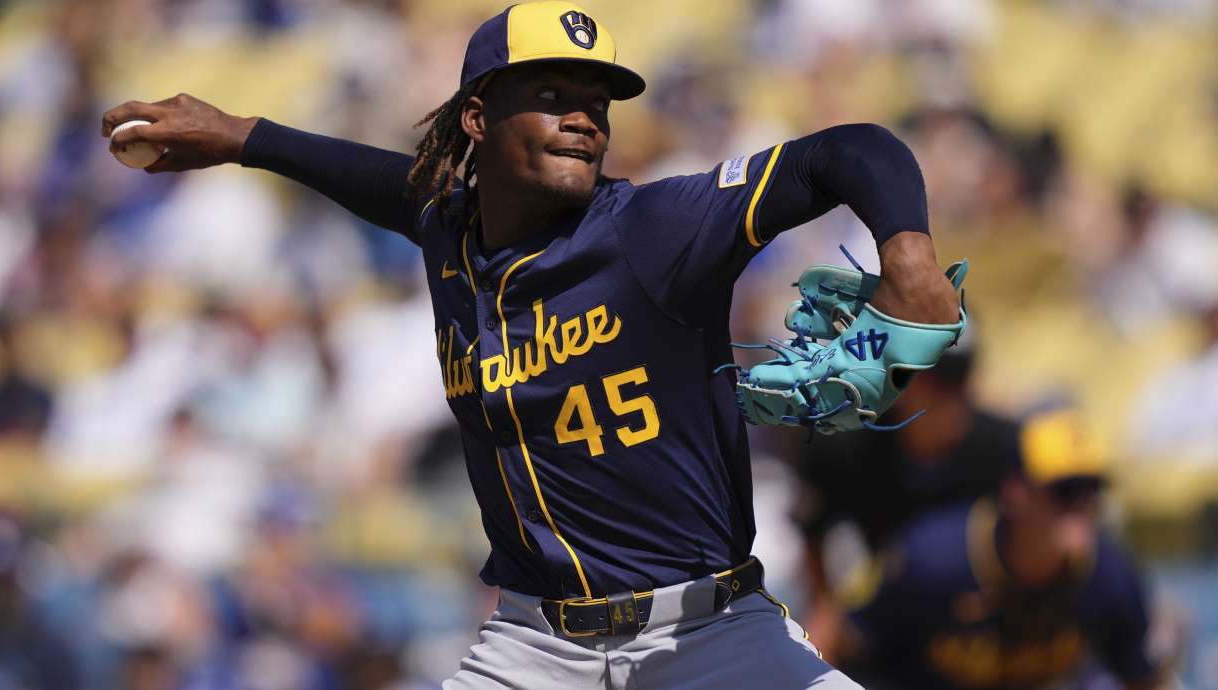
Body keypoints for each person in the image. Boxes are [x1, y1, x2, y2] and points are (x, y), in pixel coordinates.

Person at [101, 2, 962, 687]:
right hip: (534, 651)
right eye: (552, 95)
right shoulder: (451, 232)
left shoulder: (656, 230)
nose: (584, 118)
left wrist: (909, 252)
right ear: (478, 118)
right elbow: (383, 183)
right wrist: (246, 137)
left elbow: (848, 150)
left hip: (712, 637)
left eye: (595, 102)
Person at [832, 410, 1167, 690]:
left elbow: (1143, 677)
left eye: (1093, 491)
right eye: (1066, 491)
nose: (1081, 507)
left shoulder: (1107, 574)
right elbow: (846, 642)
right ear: (1015, 492)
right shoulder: (933, 558)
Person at [794, 330, 1019, 658]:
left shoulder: (1003, 449)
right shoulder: (845, 448)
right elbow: (814, 530)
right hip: (885, 601)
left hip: (979, 608)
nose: (953, 394)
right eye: (939, 379)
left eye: (962, 377)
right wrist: (823, 605)